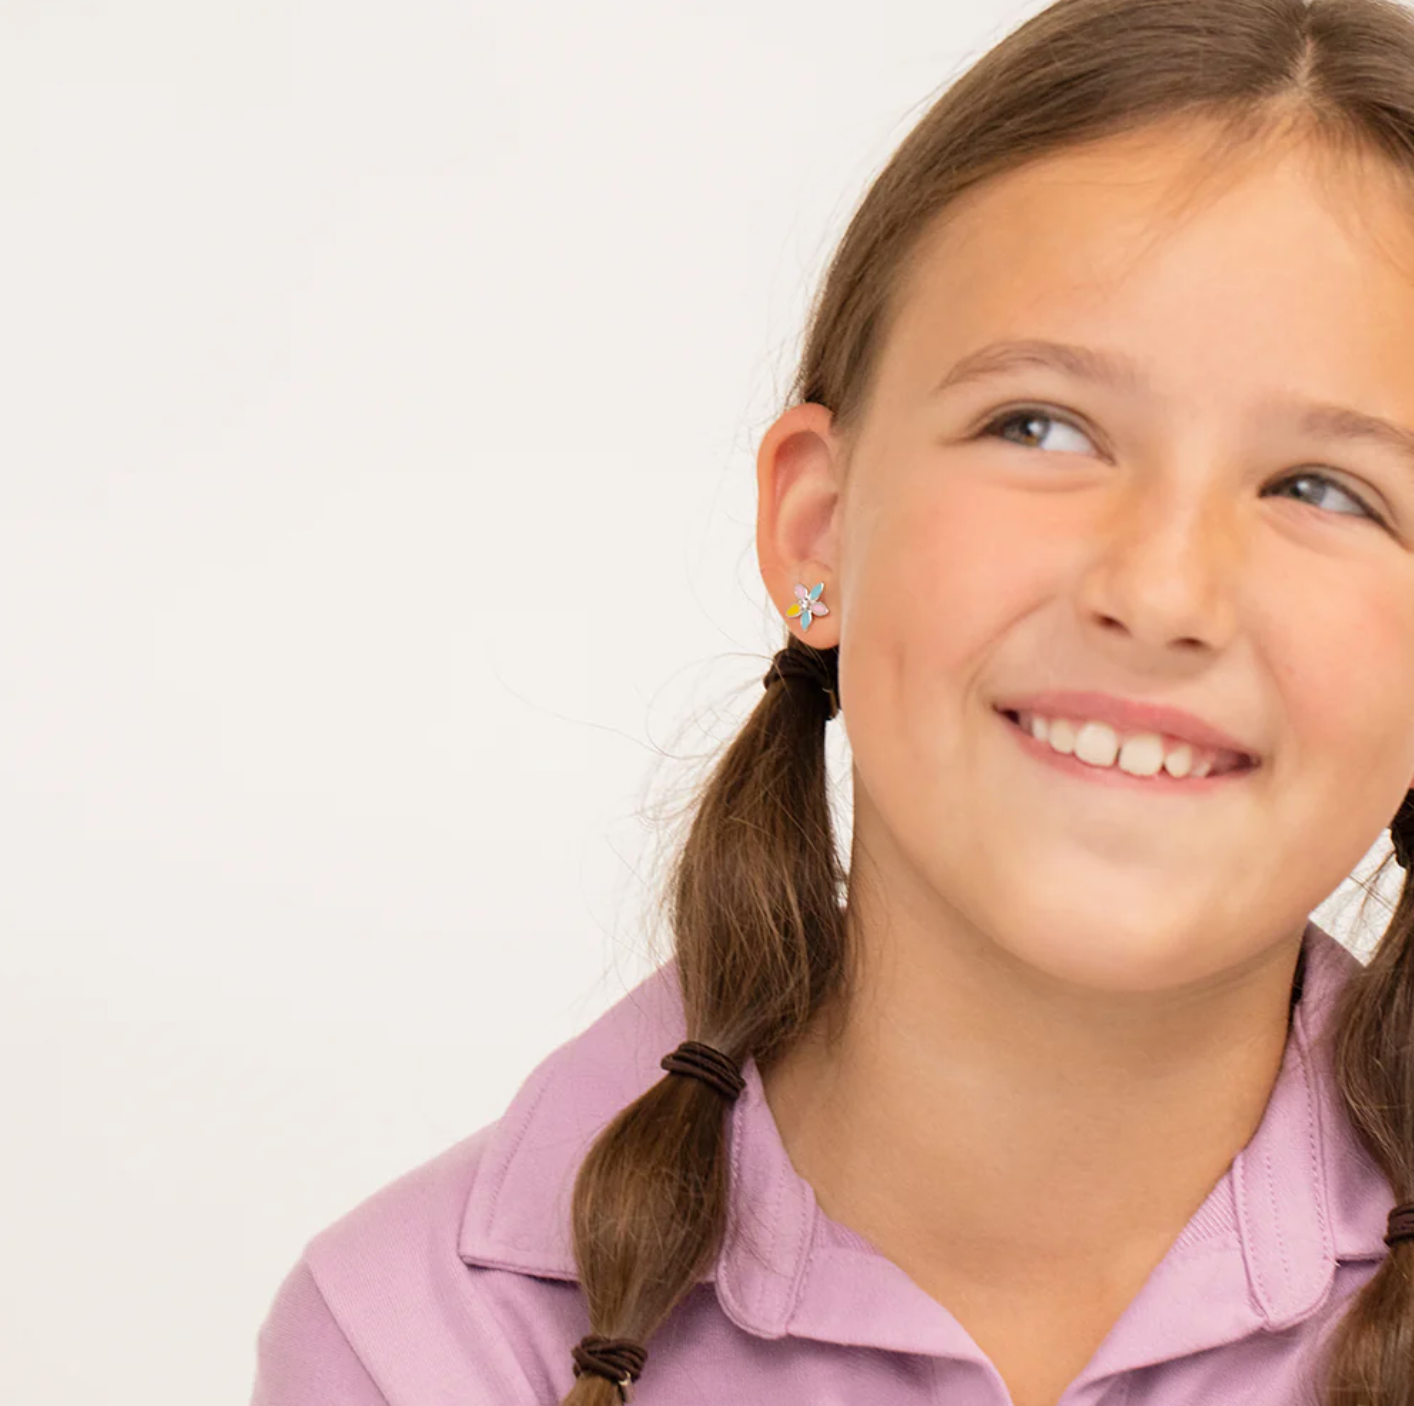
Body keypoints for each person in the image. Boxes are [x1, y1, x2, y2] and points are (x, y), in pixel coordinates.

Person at [247, 1, 1414, 1402]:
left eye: (1322, 489)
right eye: (1039, 426)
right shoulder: (417, 1340)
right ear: (816, 531)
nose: (1162, 590)